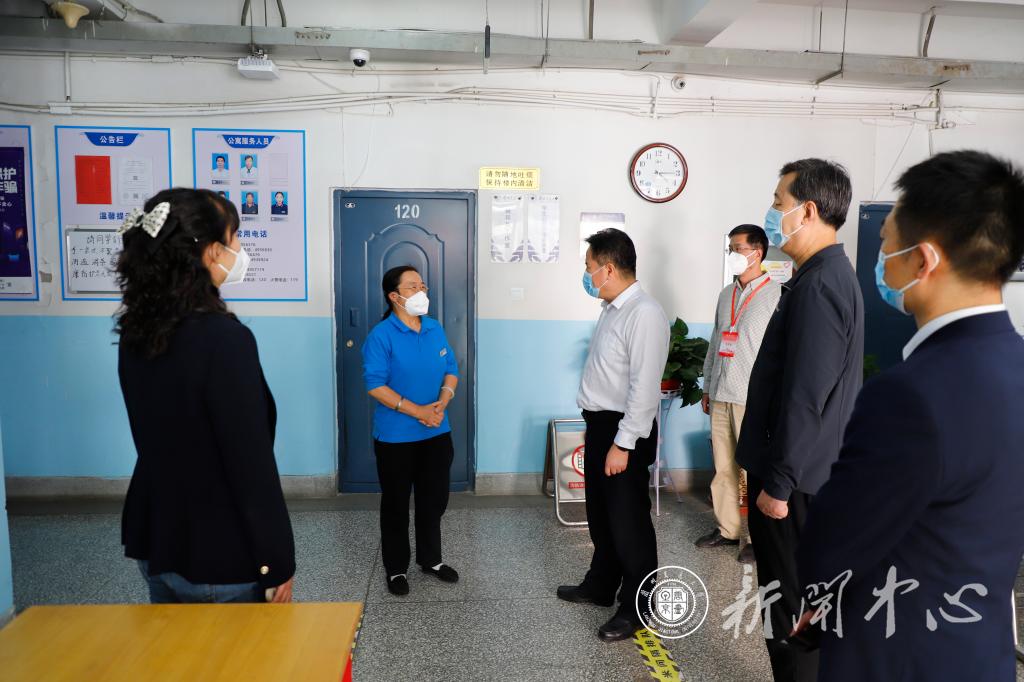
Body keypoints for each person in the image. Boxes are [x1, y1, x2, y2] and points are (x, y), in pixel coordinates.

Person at [794, 151, 1024, 681]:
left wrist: (816, 597)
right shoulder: (1014, 363)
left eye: (885, 245)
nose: (881, 260)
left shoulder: (909, 394)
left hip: (899, 653)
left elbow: (839, 534)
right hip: (979, 650)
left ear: (923, 261)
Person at [115, 187, 295, 604]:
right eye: (235, 238)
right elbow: (249, 463)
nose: (240, 250)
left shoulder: (137, 331)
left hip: (158, 536)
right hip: (221, 551)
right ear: (213, 252)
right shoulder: (224, 339)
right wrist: (275, 561)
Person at [735, 158, 864, 681]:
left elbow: (806, 397)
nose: (772, 213)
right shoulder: (820, 276)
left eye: (778, 203)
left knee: (789, 611)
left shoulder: (819, 287)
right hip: (806, 474)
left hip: (796, 484)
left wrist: (780, 484)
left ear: (807, 211)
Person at [557, 228, 670, 642]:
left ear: (607, 268)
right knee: (602, 515)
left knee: (628, 521)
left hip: (625, 431)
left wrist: (623, 443)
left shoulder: (645, 313)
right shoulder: (612, 308)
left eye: (589, 267)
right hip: (602, 426)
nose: (586, 275)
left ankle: (639, 607)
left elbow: (644, 388)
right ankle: (601, 583)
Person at [362, 266, 460, 597]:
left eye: (422, 285)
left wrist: (441, 403)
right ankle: (396, 569)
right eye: (412, 286)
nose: (421, 291)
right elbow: (375, 385)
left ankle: (431, 560)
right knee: (396, 504)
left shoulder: (434, 328)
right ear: (394, 296)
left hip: (437, 432)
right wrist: (419, 411)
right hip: (396, 438)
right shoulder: (381, 336)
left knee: (434, 501)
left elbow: (451, 369)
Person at [697, 224, 781, 564]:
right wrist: (707, 386)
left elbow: (779, 353)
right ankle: (728, 530)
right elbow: (716, 341)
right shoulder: (725, 295)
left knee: (752, 471)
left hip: (752, 397)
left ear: (756, 253)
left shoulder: (777, 296)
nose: (731, 254)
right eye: (729, 248)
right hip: (721, 392)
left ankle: (756, 539)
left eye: (737, 248)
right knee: (723, 467)